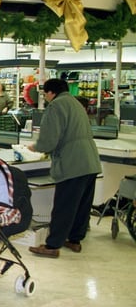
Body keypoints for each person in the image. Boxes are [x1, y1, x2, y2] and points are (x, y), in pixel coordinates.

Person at [28, 78, 102, 258]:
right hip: (90, 161)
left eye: (45, 94)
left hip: (72, 163)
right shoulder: (75, 104)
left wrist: (36, 147)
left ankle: (52, 245)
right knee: (82, 205)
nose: (45, 98)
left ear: (51, 92)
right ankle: (75, 240)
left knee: (64, 205)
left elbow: (49, 139)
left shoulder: (55, 106)